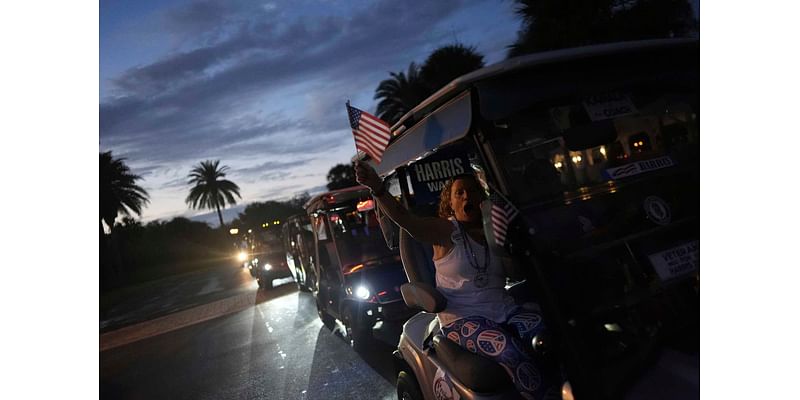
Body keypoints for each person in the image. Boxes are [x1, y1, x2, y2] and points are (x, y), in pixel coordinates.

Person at [355, 161, 560, 400]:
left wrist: (504, 244)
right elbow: (407, 221)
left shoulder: (494, 231)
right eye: (459, 193)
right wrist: (378, 189)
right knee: (510, 351)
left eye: (472, 191)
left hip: (503, 309)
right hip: (462, 318)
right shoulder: (444, 231)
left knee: (553, 333)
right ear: (450, 203)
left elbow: (514, 273)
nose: (466, 197)